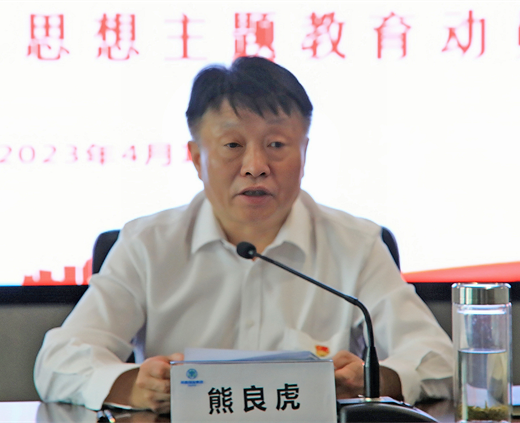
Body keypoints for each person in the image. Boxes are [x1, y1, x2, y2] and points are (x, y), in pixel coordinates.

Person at [34, 57, 453, 413]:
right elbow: (58, 360)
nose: (255, 166)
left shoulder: (356, 245)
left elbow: (440, 361)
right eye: (233, 145)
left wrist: (375, 380)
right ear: (196, 157)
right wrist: (134, 386)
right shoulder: (147, 245)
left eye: (276, 145)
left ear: (305, 153)